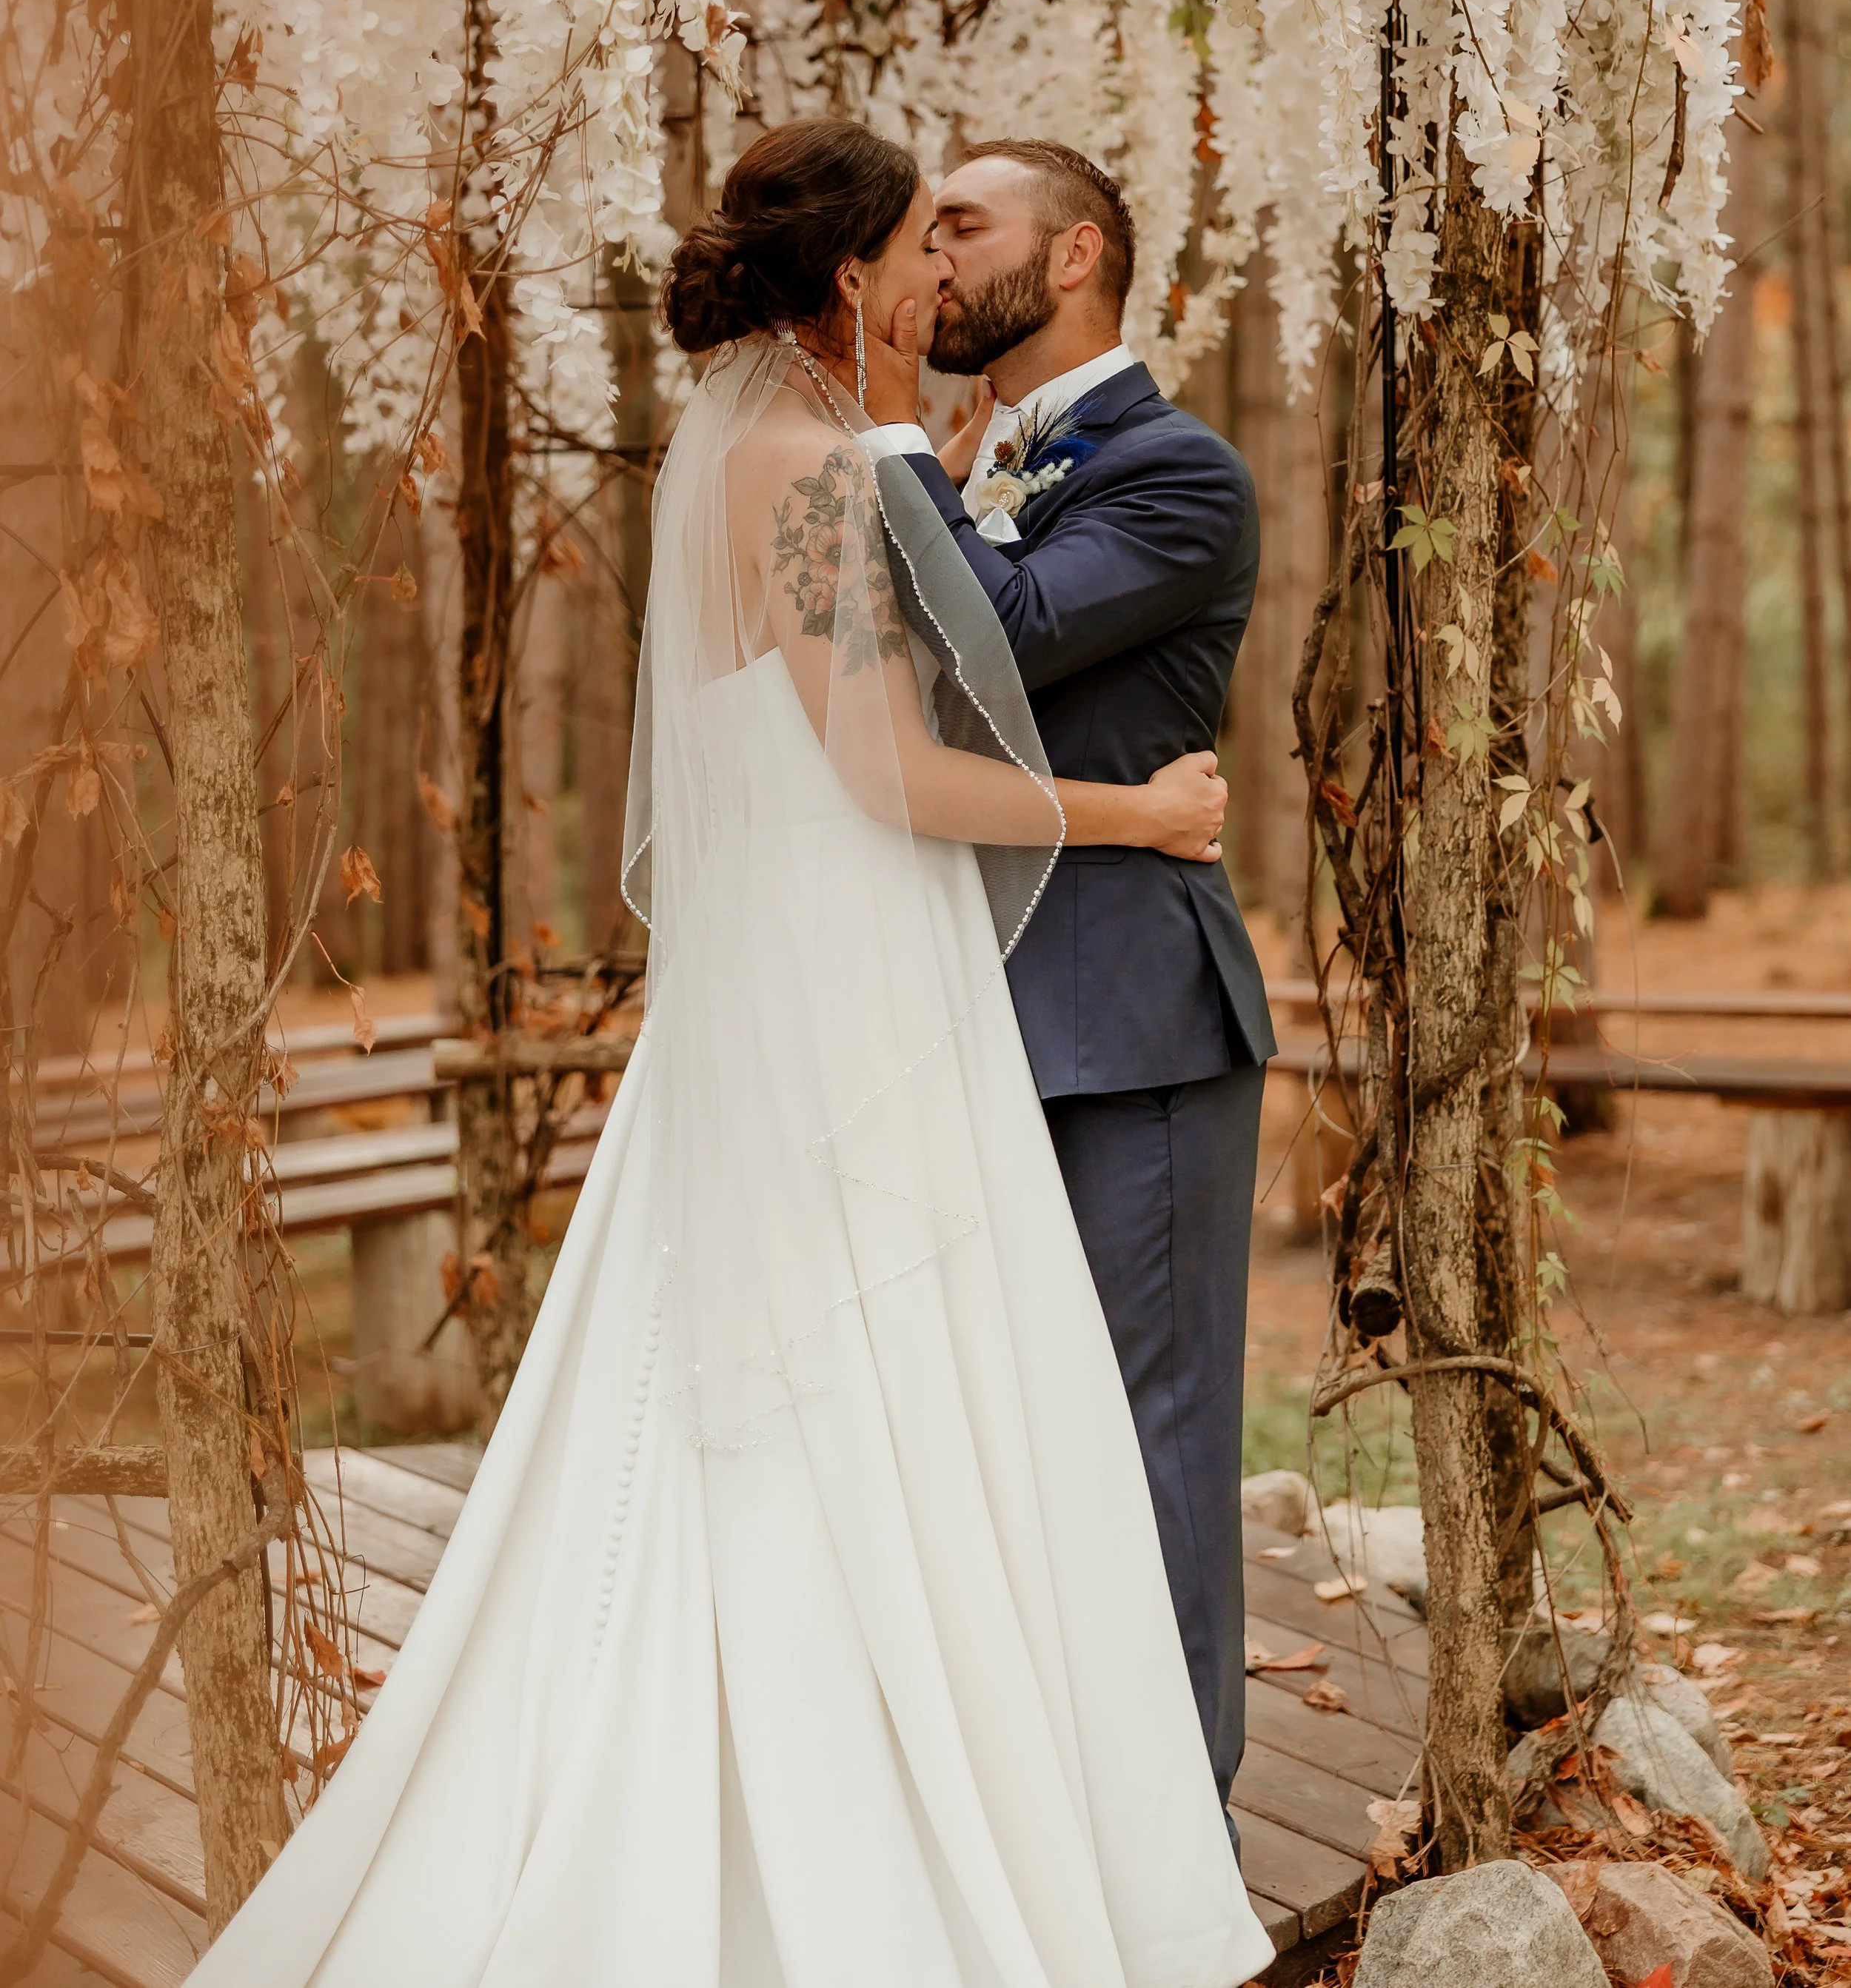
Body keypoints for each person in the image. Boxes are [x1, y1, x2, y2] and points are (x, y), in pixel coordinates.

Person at [190, 117, 1273, 1988]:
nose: (942, 280)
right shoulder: (824, 470)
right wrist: (1143, 817)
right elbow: (890, 772)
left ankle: (850, 1778)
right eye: (917, 250)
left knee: (767, 1386)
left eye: (969, 240)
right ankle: (915, 1829)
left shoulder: (755, 462)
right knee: (888, 1391)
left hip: (779, 985)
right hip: (853, 971)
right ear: (850, 278)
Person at [857, 140, 1274, 1813]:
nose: (932, 256)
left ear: (1077, 254)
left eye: (960, 224)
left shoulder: (1180, 476)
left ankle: (1177, 1830)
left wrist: (879, 428)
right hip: (947, 1009)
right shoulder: (959, 459)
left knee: (1146, 1420)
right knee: (993, 1427)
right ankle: (1034, 1811)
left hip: (1128, 1023)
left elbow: (1005, 633)